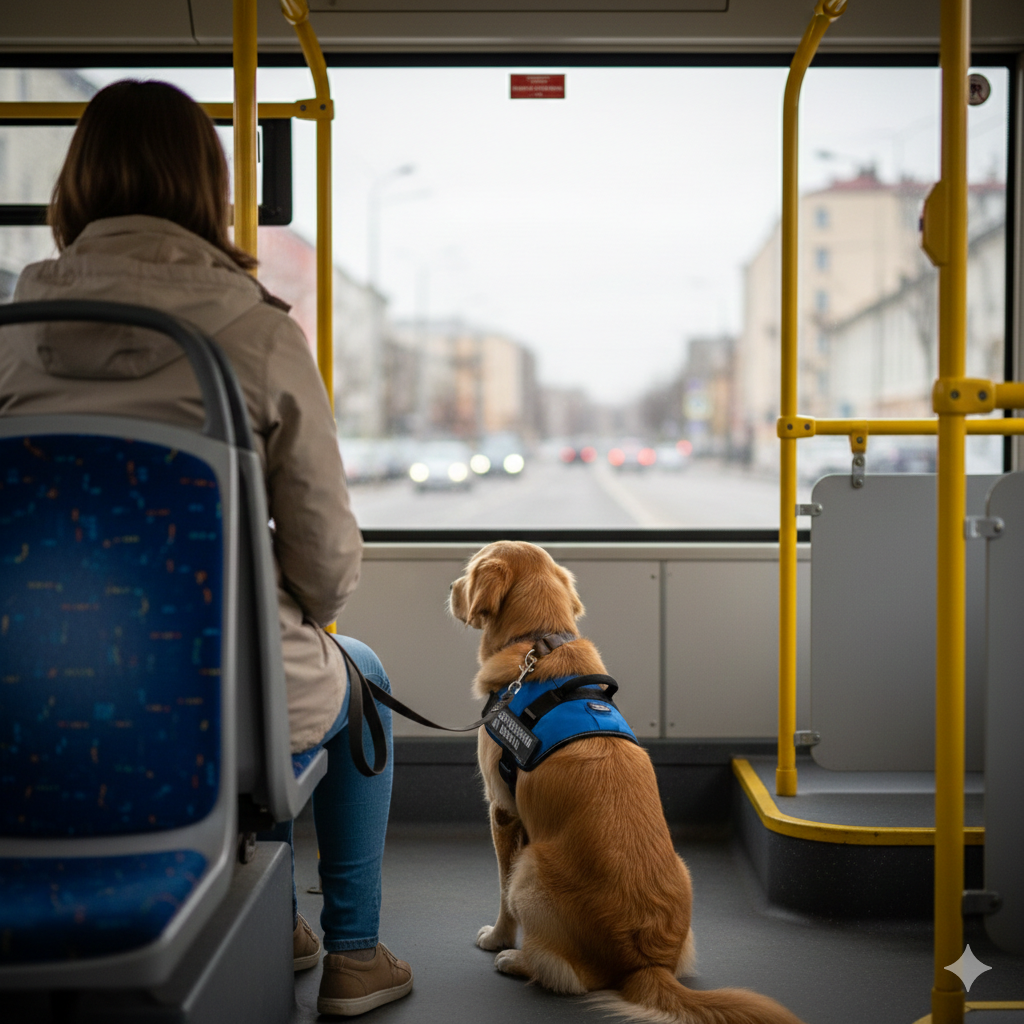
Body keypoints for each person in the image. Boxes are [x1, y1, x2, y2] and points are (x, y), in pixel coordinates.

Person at [0, 80, 412, 1017]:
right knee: (359, 671)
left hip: (33, 696)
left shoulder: (11, 342)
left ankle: (280, 924)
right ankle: (352, 953)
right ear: (209, 187)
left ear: (74, 185)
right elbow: (325, 558)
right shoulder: (257, 333)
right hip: (208, 703)